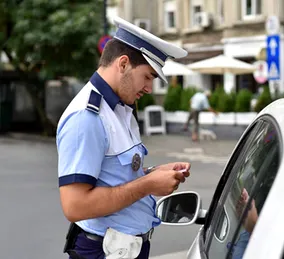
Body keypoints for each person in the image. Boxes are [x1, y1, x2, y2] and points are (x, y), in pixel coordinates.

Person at [57, 16, 192, 259]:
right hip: (103, 251)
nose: (149, 88)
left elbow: (113, 177)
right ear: (123, 64)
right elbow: (74, 206)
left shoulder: (120, 109)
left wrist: (153, 174)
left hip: (122, 248)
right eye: (148, 76)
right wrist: (148, 186)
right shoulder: (87, 117)